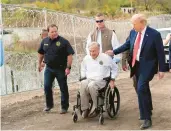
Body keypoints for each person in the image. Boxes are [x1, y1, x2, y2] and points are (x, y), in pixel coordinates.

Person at [105, 14, 166, 129]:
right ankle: (149, 109)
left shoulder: (154, 34)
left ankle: (146, 118)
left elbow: (160, 52)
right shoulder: (133, 32)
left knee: (141, 87)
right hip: (136, 65)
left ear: (142, 23)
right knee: (144, 89)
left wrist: (162, 69)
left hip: (148, 66)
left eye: (134, 23)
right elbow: (127, 45)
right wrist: (114, 52)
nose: (132, 26)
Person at [37, 24, 75, 114]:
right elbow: (41, 53)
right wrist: (40, 64)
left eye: (56, 31)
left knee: (63, 88)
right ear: (48, 32)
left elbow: (70, 55)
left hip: (60, 69)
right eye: (52, 32)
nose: (54, 33)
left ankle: (64, 107)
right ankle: (49, 105)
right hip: (49, 68)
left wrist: (68, 67)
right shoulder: (44, 41)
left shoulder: (64, 42)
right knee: (47, 86)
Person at [80, 42, 118, 118]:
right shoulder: (86, 58)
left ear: (98, 50)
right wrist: (83, 77)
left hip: (102, 81)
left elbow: (115, 68)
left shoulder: (106, 57)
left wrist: (112, 79)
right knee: (83, 83)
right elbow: (83, 69)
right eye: (90, 51)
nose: (91, 53)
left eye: (93, 51)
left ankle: (96, 107)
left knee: (91, 85)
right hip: (89, 79)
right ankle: (85, 108)